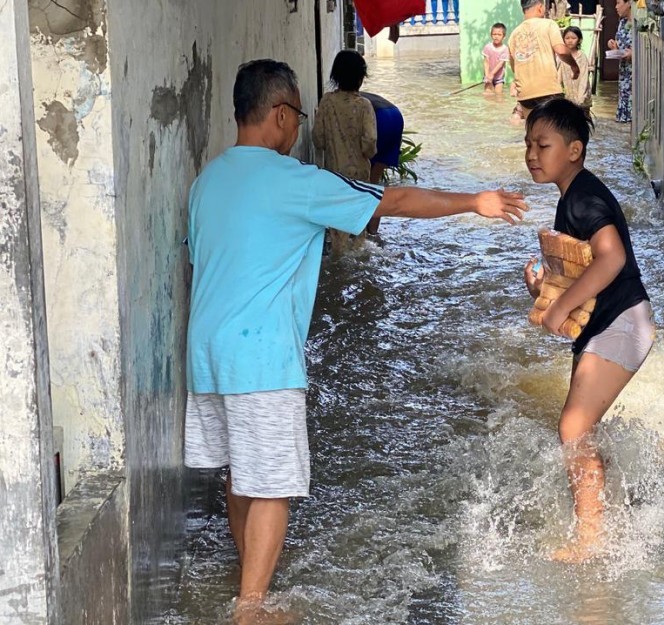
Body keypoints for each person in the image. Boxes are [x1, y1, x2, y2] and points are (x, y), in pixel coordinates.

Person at [185, 59, 526, 623]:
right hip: (261, 356)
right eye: (296, 114)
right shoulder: (293, 180)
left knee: (239, 473)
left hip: (208, 356)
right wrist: (474, 201)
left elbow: (206, 262)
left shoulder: (207, 181)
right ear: (277, 113)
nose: (298, 127)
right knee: (271, 482)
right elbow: (388, 200)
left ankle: (249, 577)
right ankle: (251, 607)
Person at [521, 99, 653, 563]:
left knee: (574, 426)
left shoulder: (585, 197)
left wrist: (560, 304)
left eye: (543, 144)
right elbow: (584, 271)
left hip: (622, 322)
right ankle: (608, 520)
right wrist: (546, 288)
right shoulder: (571, 196)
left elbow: (612, 257)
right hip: (607, 325)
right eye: (528, 144)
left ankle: (591, 540)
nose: (532, 154)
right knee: (582, 428)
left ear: (574, 150)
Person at [507, 0, 580, 122]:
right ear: (540, 7)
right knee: (554, 131)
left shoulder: (514, 34)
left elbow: (514, 65)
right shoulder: (549, 24)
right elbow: (561, 51)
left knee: (533, 132)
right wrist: (574, 66)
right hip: (547, 89)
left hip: (525, 94)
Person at [312, 50, 376, 182]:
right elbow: (370, 141)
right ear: (361, 77)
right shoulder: (364, 105)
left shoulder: (326, 101)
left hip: (333, 176)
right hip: (359, 179)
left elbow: (318, 139)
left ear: (336, 76)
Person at [359, 91, 405, 235]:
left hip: (379, 118)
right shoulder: (358, 95)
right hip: (395, 115)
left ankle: (361, 233)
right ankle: (373, 233)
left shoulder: (341, 101)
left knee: (363, 185)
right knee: (374, 183)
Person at [607, 0, 633, 123]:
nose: (616, 7)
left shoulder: (642, 24)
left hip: (636, 71)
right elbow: (620, 44)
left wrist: (633, 54)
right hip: (624, 70)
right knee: (624, 95)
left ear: (628, 3)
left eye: (618, 3)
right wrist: (614, 46)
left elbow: (645, 47)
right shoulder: (622, 22)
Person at [559, 26, 592, 119]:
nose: (570, 41)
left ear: (579, 40)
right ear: (563, 39)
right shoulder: (563, 57)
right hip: (569, 97)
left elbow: (584, 78)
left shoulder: (581, 56)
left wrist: (580, 99)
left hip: (583, 97)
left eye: (573, 38)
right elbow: (559, 77)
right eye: (567, 38)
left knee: (584, 121)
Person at [482, 23, 510, 97]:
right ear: (491, 35)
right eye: (494, 34)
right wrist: (487, 75)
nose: (496, 36)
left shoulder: (505, 49)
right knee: (488, 96)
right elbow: (486, 62)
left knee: (498, 96)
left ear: (504, 37)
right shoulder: (488, 47)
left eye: (499, 34)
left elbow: (500, 64)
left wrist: (492, 74)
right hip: (488, 76)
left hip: (499, 78)